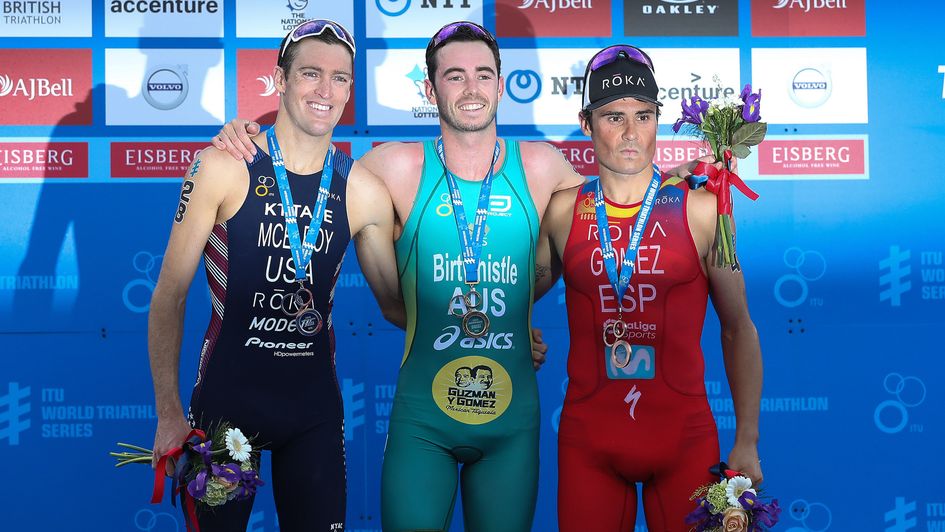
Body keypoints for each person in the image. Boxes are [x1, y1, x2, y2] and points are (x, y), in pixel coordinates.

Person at [148, 19, 403, 531]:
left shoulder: (364, 190)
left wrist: (498, 334)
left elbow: (398, 306)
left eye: (340, 79)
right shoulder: (222, 165)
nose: (325, 91)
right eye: (311, 73)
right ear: (280, 80)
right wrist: (169, 413)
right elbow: (169, 296)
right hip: (225, 408)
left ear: (352, 90)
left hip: (312, 414)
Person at [535, 45, 764, 531]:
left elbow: (738, 327)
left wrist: (747, 439)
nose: (630, 132)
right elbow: (519, 297)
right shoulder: (560, 212)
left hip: (683, 441)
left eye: (644, 115)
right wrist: (518, 330)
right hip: (588, 445)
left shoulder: (703, 210)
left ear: (659, 119)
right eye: (613, 117)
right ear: (586, 123)